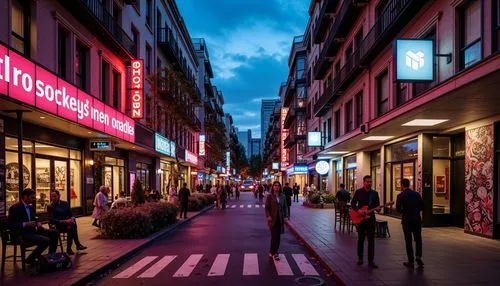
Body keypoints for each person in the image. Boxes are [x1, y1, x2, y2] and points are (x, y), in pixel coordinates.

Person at [8, 189, 59, 264]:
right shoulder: (15, 208)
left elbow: (35, 218)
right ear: (25, 197)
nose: (34, 199)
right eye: (32, 197)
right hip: (21, 234)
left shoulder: (31, 207)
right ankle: (31, 258)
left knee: (54, 233)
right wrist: (25, 224)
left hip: (32, 231)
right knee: (46, 240)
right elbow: (11, 224)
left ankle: (50, 256)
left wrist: (38, 223)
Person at [351, 175, 380, 268]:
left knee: (371, 241)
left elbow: (377, 207)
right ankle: (360, 258)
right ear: (363, 182)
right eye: (367, 181)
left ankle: (371, 260)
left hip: (371, 219)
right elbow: (353, 203)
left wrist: (378, 209)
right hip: (361, 219)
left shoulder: (375, 194)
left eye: (371, 182)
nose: (369, 183)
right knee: (361, 239)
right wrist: (358, 210)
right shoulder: (358, 192)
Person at [47, 190, 87, 255]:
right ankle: (75, 245)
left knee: (72, 225)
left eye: (55, 196)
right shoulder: (50, 206)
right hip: (58, 225)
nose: (53, 198)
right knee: (71, 227)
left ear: (59, 196)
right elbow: (51, 220)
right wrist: (65, 221)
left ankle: (72, 247)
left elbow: (71, 214)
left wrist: (72, 218)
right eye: (52, 196)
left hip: (67, 224)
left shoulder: (65, 203)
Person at [396, 178, 424, 269]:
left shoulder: (400, 195)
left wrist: (405, 211)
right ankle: (418, 256)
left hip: (406, 221)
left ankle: (411, 261)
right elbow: (422, 206)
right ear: (409, 184)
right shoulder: (416, 194)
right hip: (416, 220)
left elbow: (398, 210)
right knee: (418, 239)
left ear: (402, 185)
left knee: (408, 241)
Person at [265, 181, 288, 261]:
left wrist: (285, 216)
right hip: (272, 219)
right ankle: (275, 253)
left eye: (278, 185)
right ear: (273, 187)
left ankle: (272, 251)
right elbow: (267, 207)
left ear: (280, 187)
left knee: (277, 237)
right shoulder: (269, 196)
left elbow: (285, 207)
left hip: (280, 219)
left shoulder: (283, 196)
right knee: (274, 236)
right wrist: (268, 216)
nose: (277, 187)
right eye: (275, 185)